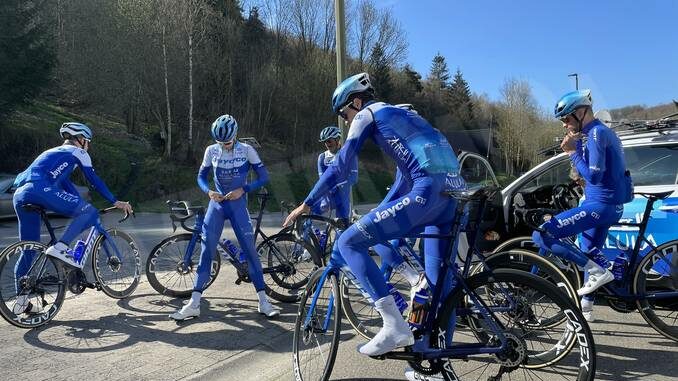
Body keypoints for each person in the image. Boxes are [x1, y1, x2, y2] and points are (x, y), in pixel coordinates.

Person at [284, 73, 466, 356]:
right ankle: (437, 364)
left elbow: (340, 167)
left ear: (356, 101)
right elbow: (406, 179)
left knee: (347, 242)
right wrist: (380, 214)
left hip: (428, 194)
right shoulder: (405, 117)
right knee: (439, 290)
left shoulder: (367, 113)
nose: (345, 121)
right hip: (451, 196)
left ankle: (394, 325)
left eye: (343, 113)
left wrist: (306, 204)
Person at [12, 122, 133, 314]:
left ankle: (21, 303)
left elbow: (68, 187)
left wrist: (80, 207)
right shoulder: (78, 153)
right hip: (40, 190)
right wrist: (115, 201)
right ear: (81, 139)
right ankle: (61, 248)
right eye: (88, 141)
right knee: (90, 212)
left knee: (29, 248)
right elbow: (94, 180)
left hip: (20, 195)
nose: (88, 145)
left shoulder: (54, 154)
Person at [532, 90, 633, 317]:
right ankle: (585, 309)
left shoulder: (597, 133)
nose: (564, 124)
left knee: (542, 235)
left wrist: (571, 153)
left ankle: (598, 271)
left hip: (600, 206)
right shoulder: (598, 133)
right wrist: (576, 150)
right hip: (608, 205)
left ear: (580, 112)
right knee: (588, 249)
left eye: (566, 118)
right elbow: (592, 174)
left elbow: (594, 177)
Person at [169, 114, 280, 320]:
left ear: (235, 136)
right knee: (206, 251)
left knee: (250, 250)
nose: (224, 146)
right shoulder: (211, 150)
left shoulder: (247, 150)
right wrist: (209, 192)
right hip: (217, 205)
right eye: (221, 143)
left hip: (238, 206)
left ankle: (264, 301)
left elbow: (264, 177)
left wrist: (244, 189)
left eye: (227, 142)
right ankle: (194, 303)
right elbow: (201, 177)